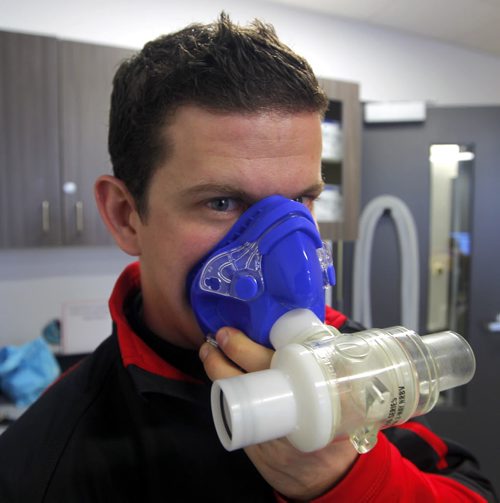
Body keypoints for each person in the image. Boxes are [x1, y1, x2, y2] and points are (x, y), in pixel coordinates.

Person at [0, 13, 496, 503]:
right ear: (127, 215)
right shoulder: (44, 462)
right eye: (222, 203)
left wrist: (346, 482)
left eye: (300, 201)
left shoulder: (347, 351)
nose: (288, 258)